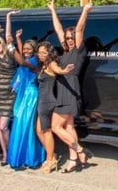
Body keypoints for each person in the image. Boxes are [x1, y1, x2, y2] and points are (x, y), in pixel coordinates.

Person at [47, 0, 93, 172]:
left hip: (70, 91)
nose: (69, 40)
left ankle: (80, 150)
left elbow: (80, 28)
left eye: (72, 37)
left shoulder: (78, 52)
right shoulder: (65, 52)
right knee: (68, 126)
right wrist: (52, 10)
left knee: (55, 127)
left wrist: (85, 10)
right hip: (63, 90)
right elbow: (58, 29)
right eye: (67, 38)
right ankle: (73, 159)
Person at [6, 10, 47, 169]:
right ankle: (21, 157)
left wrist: (11, 46)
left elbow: (23, 62)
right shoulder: (26, 56)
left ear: (35, 51)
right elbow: (21, 53)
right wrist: (16, 39)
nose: (27, 50)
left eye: (30, 48)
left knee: (27, 125)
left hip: (31, 95)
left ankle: (32, 158)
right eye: (25, 48)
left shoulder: (34, 62)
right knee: (18, 123)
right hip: (22, 95)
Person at [35, 41, 75, 173]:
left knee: (47, 131)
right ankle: (52, 154)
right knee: (39, 130)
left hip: (47, 102)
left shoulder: (51, 64)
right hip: (42, 101)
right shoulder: (42, 65)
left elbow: (58, 70)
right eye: (39, 52)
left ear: (49, 53)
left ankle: (50, 159)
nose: (41, 55)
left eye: (44, 53)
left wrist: (64, 71)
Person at [0, 19, 20, 165]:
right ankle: (5, 154)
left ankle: (13, 152)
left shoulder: (10, 53)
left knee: (4, 126)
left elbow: (8, 36)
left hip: (9, 94)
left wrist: (8, 17)